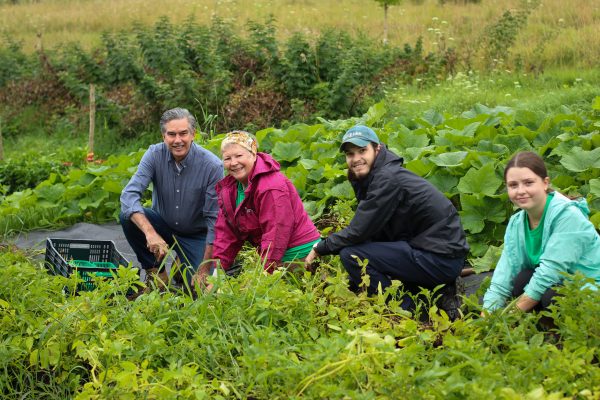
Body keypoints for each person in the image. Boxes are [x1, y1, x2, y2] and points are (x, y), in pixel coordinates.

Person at [305, 125, 470, 318]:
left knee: (352, 255)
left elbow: (358, 231)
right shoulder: (378, 174)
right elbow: (372, 230)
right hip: (434, 251)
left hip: (440, 259)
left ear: (377, 149)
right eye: (350, 154)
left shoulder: (387, 179)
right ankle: (421, 296)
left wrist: (320, 248)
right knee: (364, 248)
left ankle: (410, 311)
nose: (356, 158)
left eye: (362, 150)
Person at [193, 131, 321, 286]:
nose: (233, 163)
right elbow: (226, 233)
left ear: (253, 154)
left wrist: (265, 273)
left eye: (239, 156)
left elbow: (276, 231)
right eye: (227, 158)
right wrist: (217, 273)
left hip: (299, 255)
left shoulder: (270, 186)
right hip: (273, 257)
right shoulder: (232, 189)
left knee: (256, 299)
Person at [482, 151, 600, 314]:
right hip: (561, 281)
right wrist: (486, 314)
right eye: (513, 185)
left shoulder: (568, 216)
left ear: (545, 183)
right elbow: (503, 276)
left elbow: (550, 271)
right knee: (521, 280)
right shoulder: (517, 223)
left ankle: (567, 334)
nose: (520, 191)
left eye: (528, 183)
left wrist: (507, 317)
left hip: (591, 288)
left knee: (552, 297)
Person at [120, 107, 223, 291]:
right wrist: (150, 233)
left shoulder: (212, 166)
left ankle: (181, 261)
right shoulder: (154, 154)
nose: (178, 140)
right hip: (163, 227)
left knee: (200, 289)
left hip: (196, 234)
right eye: (171, 134)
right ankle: (156, 273)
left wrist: (205, 268)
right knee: (128, 215)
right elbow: (129, 195)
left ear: (193, 134)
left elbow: (214, 220)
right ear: (163, 136)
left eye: (183, 133)